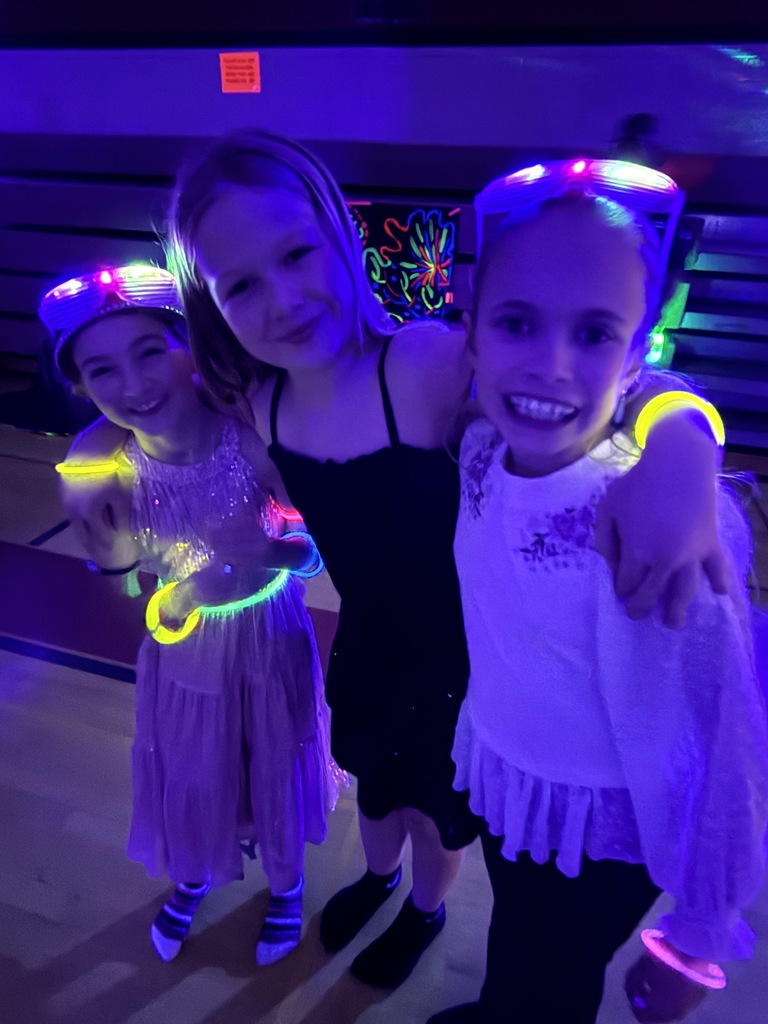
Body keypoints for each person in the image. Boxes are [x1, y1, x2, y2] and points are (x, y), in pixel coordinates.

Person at [67, 131, 729, 989]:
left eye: (298, 254)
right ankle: (377, 879)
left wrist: (684, 443)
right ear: (213, 303)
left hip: (468, 668)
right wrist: (85, 461)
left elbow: (593, 375)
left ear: (340, 234)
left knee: (439, 821)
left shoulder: (419, 363)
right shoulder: (256, 403)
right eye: (242, 286)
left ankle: (425, 908)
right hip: (367, 652)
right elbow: (140, 403)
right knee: (375, 797)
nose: (284, 300)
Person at [428, 160, 768, 1024]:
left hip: (598, 828)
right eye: (516, 322)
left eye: (592, 334)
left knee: (552, 984)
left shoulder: (662, 523)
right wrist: (685, 424)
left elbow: (726, 737)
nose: (549, 365)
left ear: (637, 344)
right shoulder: (479, 447)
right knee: (523, 953)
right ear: (473, 332)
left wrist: (700, 936)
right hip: (511, 783)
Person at [40, 265, 339, 967]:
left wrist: (270, 547)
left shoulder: (253, 437)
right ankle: (196, 873)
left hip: (269, 637)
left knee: (273, 757)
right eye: (102, 370)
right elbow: (118, 580)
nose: (135, 385)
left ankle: (288, 885)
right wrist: (116, 546)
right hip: (183, 648)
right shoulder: (107, 465)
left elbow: (313, 556)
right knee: (195, 768)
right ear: (82, 388)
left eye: (150, 351)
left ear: (190, 347)